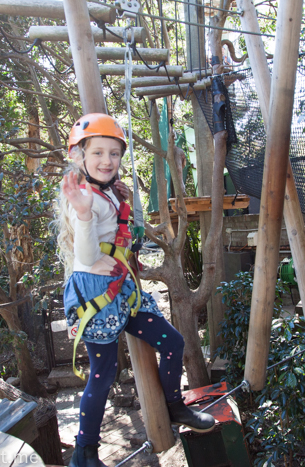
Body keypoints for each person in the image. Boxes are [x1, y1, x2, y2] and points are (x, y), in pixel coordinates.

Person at [55, 113, 215, 467]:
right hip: (96, 294)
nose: (107, 161)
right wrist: (83, 215)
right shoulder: (84, 198)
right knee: (103, 372)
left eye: (114, 153)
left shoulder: (110, 192)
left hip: (121, 287)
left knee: (172, 342)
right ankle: (84, 453)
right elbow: (85, 254)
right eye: (98, 153)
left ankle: (174, 407)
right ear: (79, 156)